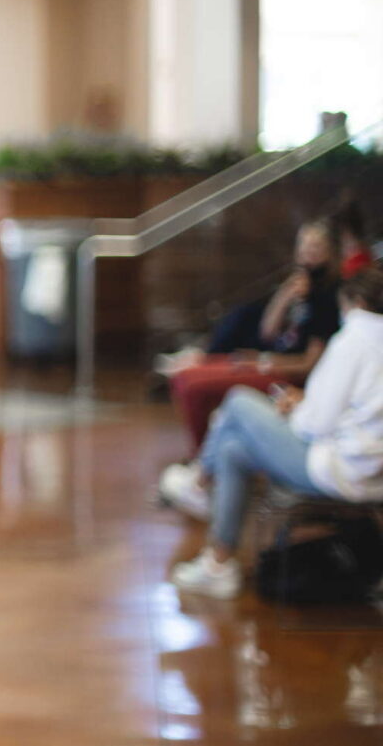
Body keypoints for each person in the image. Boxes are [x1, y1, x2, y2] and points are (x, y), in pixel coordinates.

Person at [164, 267, 383, 598]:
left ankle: (198, 481)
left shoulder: (354, 339)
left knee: (238, 401)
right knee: (233, 448)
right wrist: (305, 403)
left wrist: (294, 409)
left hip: (343, 470)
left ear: (354, 301)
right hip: (367, 468)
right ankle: (217, 563)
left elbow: (315, 425)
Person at [164, 219, 343, 447]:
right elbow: (267, 332)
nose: (307, 253)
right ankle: (206, 455)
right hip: (264, 360)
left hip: (284, 374)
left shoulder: (328, 297)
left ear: (330, 253)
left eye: (315, 247)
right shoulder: (299, 288)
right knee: (181, 376)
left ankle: (202, 458)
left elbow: (309, 365)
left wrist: (264, 361)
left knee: (192, 388)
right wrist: (284, 296)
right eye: (303, 246)